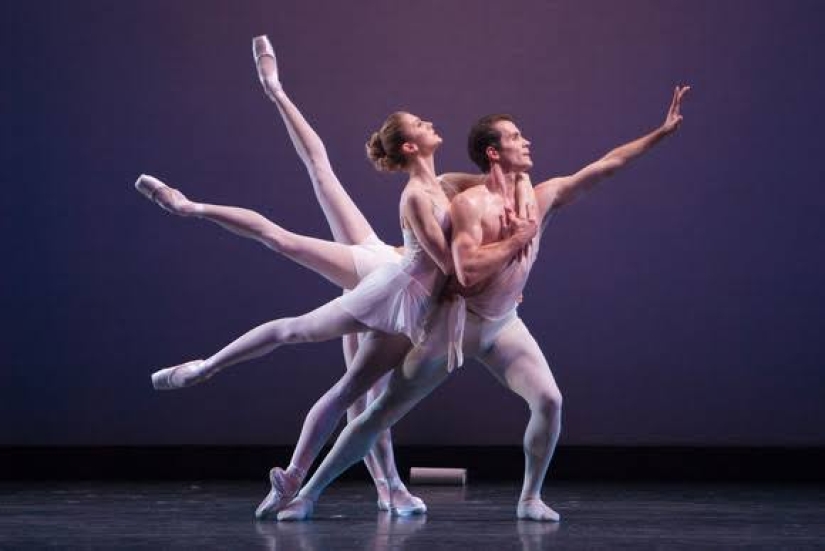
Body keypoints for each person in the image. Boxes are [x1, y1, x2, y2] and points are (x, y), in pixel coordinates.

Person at [275, 85, 691, 522]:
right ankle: (308, 493)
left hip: (501, 325)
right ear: (493, 153)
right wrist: (516, 240)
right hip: (453, 325)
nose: (526, 141)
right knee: (378, 413)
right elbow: (467, 274)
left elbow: (606, 166)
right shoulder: (471, 205)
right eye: (515, 137)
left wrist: (659, 133)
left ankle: (530, 497)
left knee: (549, 400)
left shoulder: (540, 198)